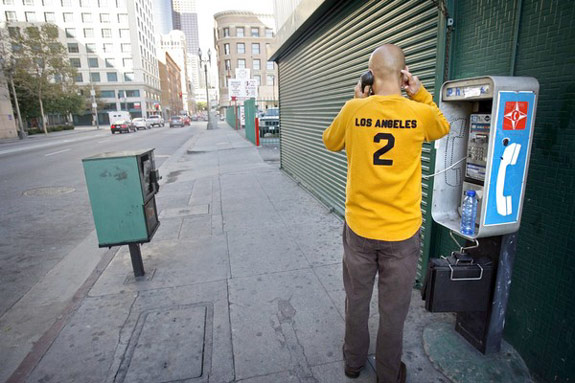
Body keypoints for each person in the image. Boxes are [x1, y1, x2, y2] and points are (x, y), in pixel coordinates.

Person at [322, 44, 450, 383]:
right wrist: (420, 94)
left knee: (357, 300)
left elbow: (330, 142)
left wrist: (359, 103)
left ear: (370, 75)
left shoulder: (353, 110)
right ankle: (389, 374)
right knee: (393, 312)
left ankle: (353, 363)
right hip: (402, 234)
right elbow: (442, 127)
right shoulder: (419, 114)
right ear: (403, 74)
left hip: (360, 230)